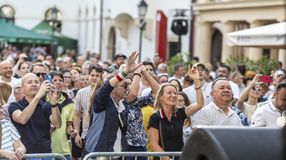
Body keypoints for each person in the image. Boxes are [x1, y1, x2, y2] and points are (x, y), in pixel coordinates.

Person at [83, 51, 141, 155]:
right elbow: (106, 87)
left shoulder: (123, 104)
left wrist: (139, 73)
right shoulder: (102, 101)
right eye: (125, 85)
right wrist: (126, 71)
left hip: (118, 155)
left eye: (129, 85)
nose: (128, 88)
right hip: (98, 153)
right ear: (113, 88)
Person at [148, 65, 204, 160]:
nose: (173, 95)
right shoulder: (155, 116)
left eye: (175, 93)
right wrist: (168, 159)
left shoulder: (180, 113)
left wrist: (196, 80)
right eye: (169, 93)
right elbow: (154, 144)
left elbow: (200, 104)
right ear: (161, 97)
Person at [8, 73, 62, 154]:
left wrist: (54, 104)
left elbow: (57, 124)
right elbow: (22, 119)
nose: (34, 84)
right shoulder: (14, 105)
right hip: (23, 155)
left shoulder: (46, 105)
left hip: (45, 154)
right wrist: (38, 97)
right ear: (22, 88)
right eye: (30, 82)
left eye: (36, 82)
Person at [73, 65, 103, 160]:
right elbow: (76, 115)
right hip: (86, 135)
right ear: (89, 75)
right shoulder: (81, 93)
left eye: (97, 76)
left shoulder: (106, 92)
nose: (94, 78)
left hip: (102, 136)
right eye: (92, 75)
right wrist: (77, 134)